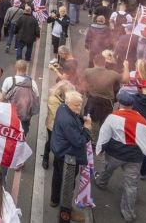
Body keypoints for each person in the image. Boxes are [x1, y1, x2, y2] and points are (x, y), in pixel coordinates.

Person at [94, 90, 146, 223]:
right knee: (131, 185)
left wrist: (99, 149)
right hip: (134, 157)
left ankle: (101, 182)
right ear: (132, 105)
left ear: (119, 104)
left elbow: (104, 135)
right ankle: (128, 213)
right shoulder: (141, 120)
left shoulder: (113, 117)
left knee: (107, 170)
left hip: (115, 153)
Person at [50, 90, 91, 222]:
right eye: (76, 105)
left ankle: (54, 199)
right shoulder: (68, 120)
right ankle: (65, 213)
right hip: (68, 156)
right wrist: (87, 129)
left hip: (59, 150)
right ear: (68, 103)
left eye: (80, 105)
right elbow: (79, 141)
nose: (79, 108)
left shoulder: (62, 108)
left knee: (57, 176)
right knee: (68, 184)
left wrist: (80, 119)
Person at [81, 52, 126, 142]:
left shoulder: (87, 71)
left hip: (92, 101)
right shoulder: (112, 73)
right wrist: (126, 66)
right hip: (107, 103)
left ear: (94, 62)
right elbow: (125, 80)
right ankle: (103, 141)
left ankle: (93, 141)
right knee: (105, 122)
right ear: (105, 63)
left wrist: (86, 92)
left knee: (92, 122)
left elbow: (83, 86)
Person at [42, 80, 75, 170]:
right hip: (53, 126)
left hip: (62, 127)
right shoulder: (53, 99)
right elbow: (57, 115)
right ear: (63, 92)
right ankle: (45, 157)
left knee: (60, 145)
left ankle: (56, 161)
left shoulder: (65, 99)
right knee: (50, 142)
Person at [1, 59, 40, 135]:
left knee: (10, 132)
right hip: (25, 114)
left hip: (11, 113)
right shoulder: (32, 82)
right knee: (23, 132)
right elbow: (36, 98)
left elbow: (3, 97)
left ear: (15, 67)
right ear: (26, 68)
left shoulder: (9, 80)